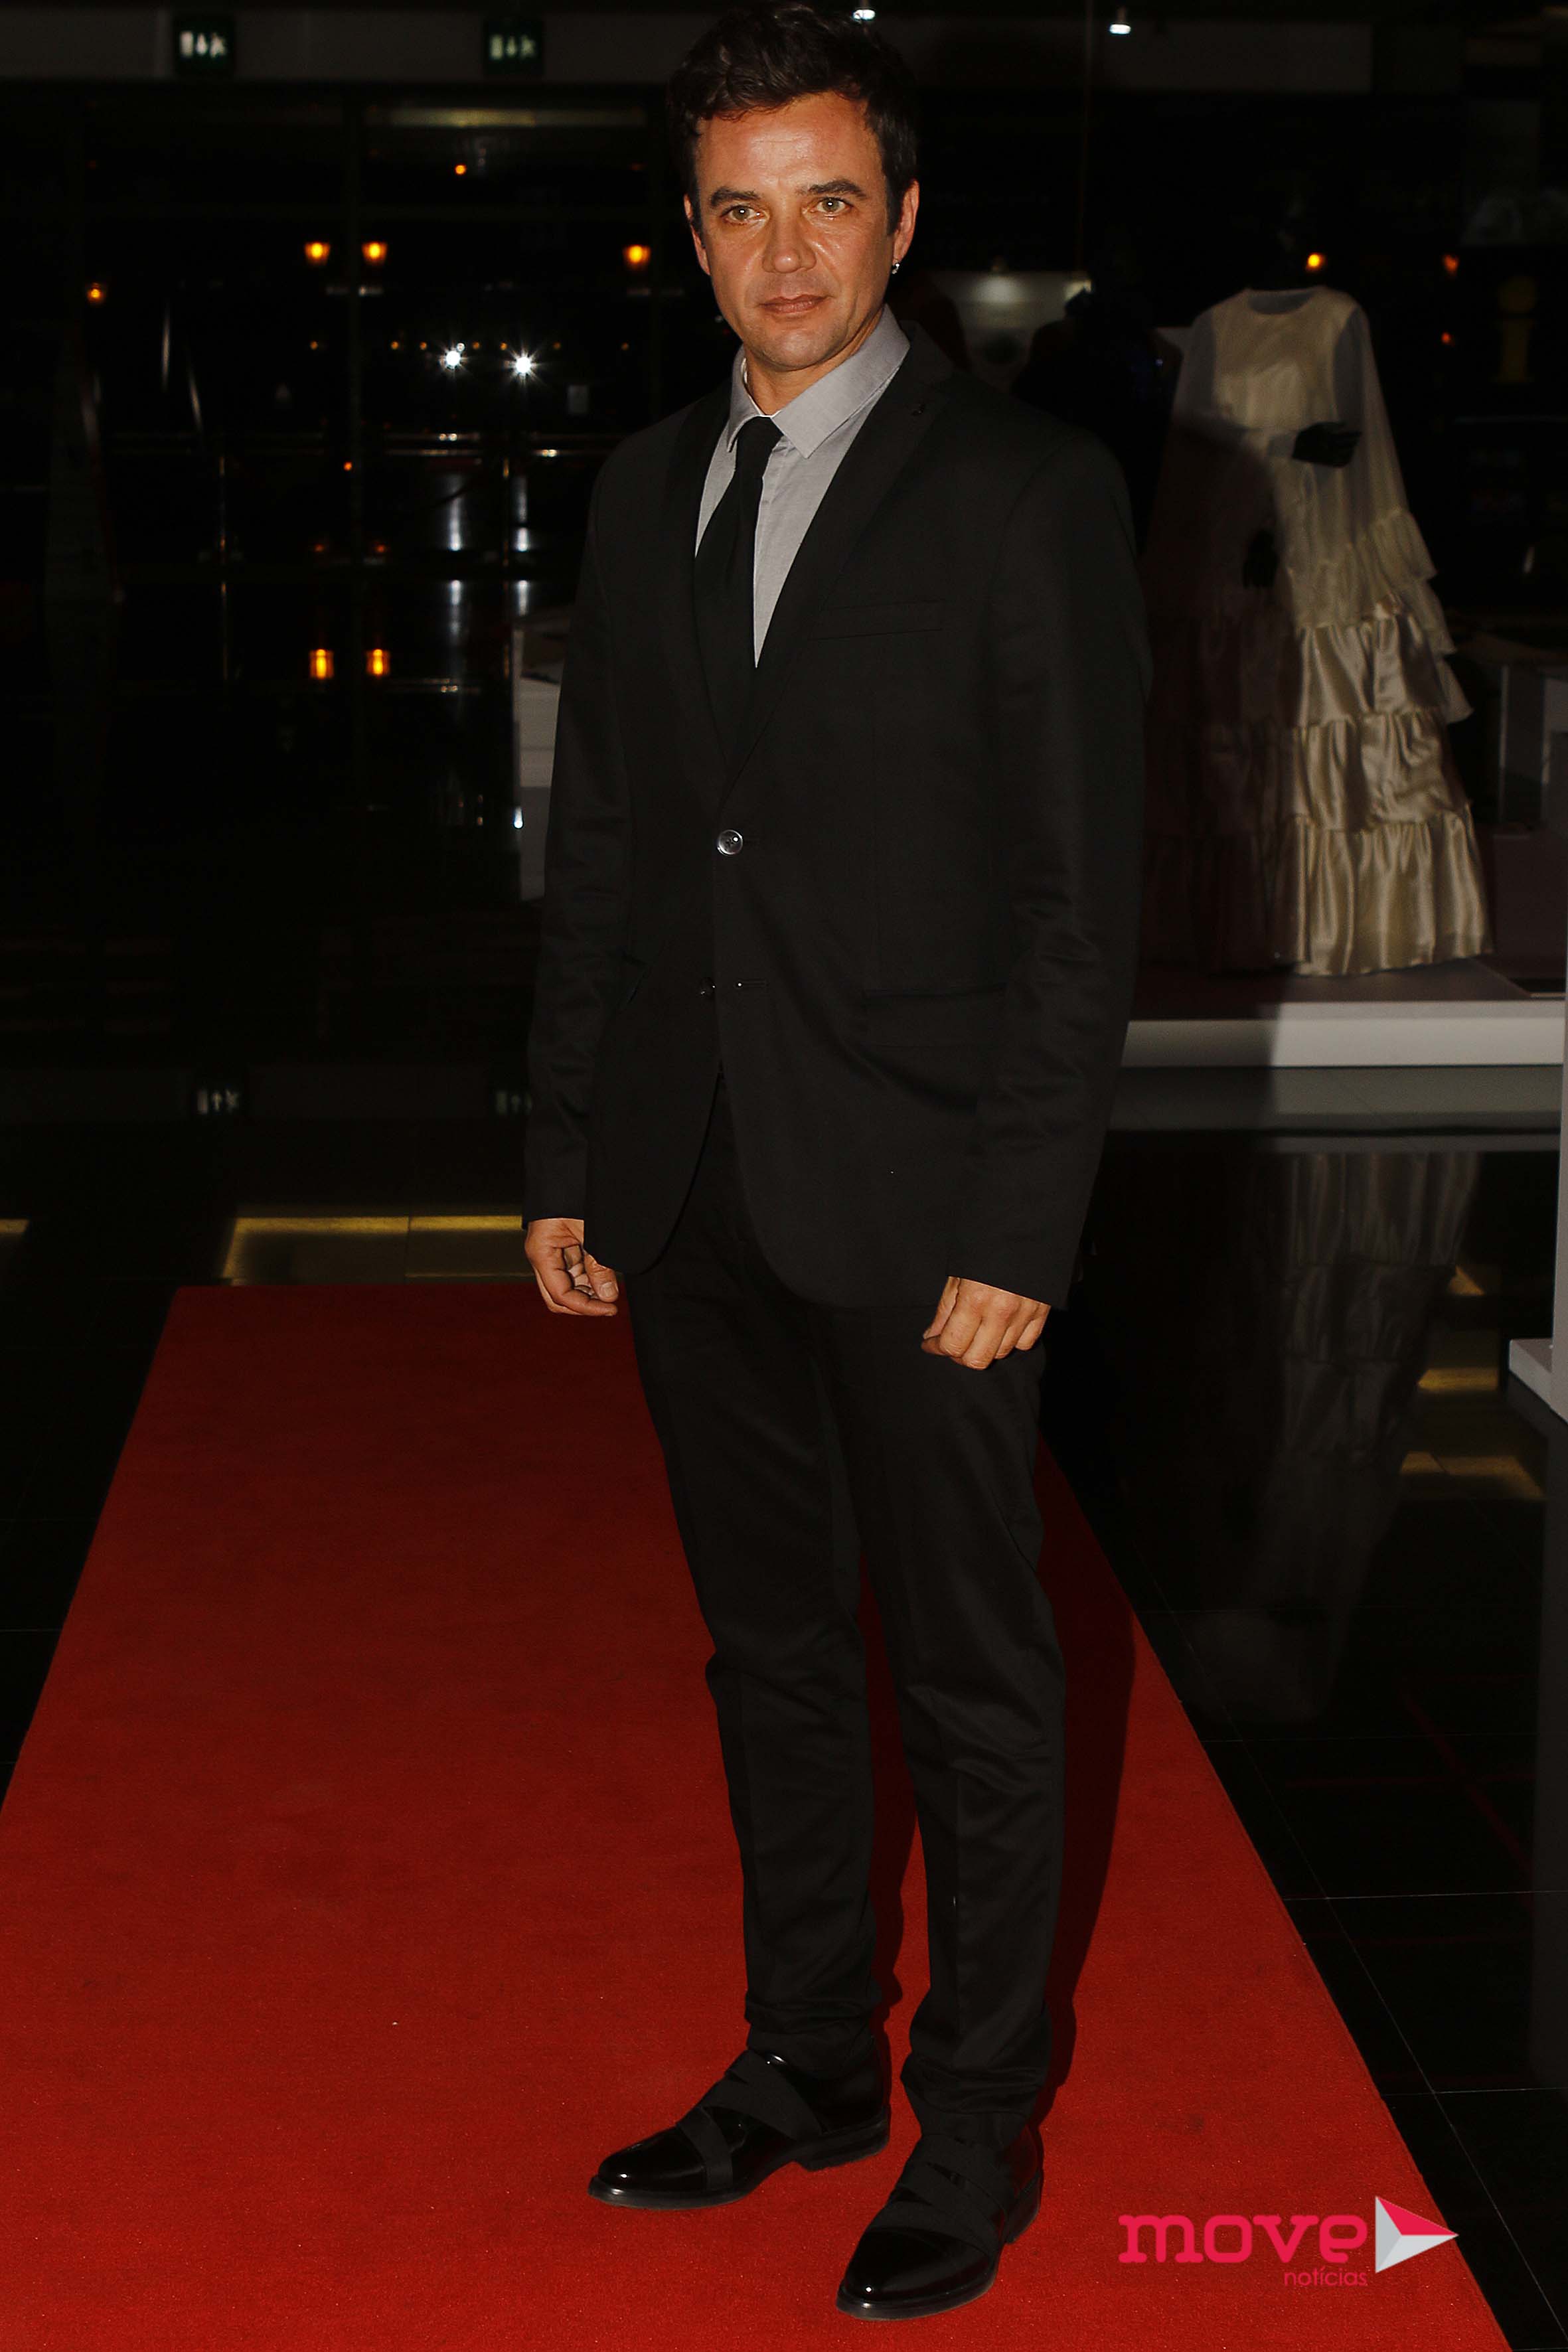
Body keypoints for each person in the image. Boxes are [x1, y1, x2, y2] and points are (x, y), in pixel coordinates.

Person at [522, 1, 1148, 2322]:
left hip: (919, 1200)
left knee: (975, 1681)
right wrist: (570, 1149)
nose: (782, 251)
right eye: (737, 208)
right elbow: (611, 846)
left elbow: (1081, 900)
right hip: (691, 1179)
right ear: (689, 235)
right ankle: (806, 2060)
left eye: (825, 202)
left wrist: (1020, 1219)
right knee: (772, 1654)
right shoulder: (639, 486)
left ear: (898, 222)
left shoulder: (1024, 493)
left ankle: (977, 2122)